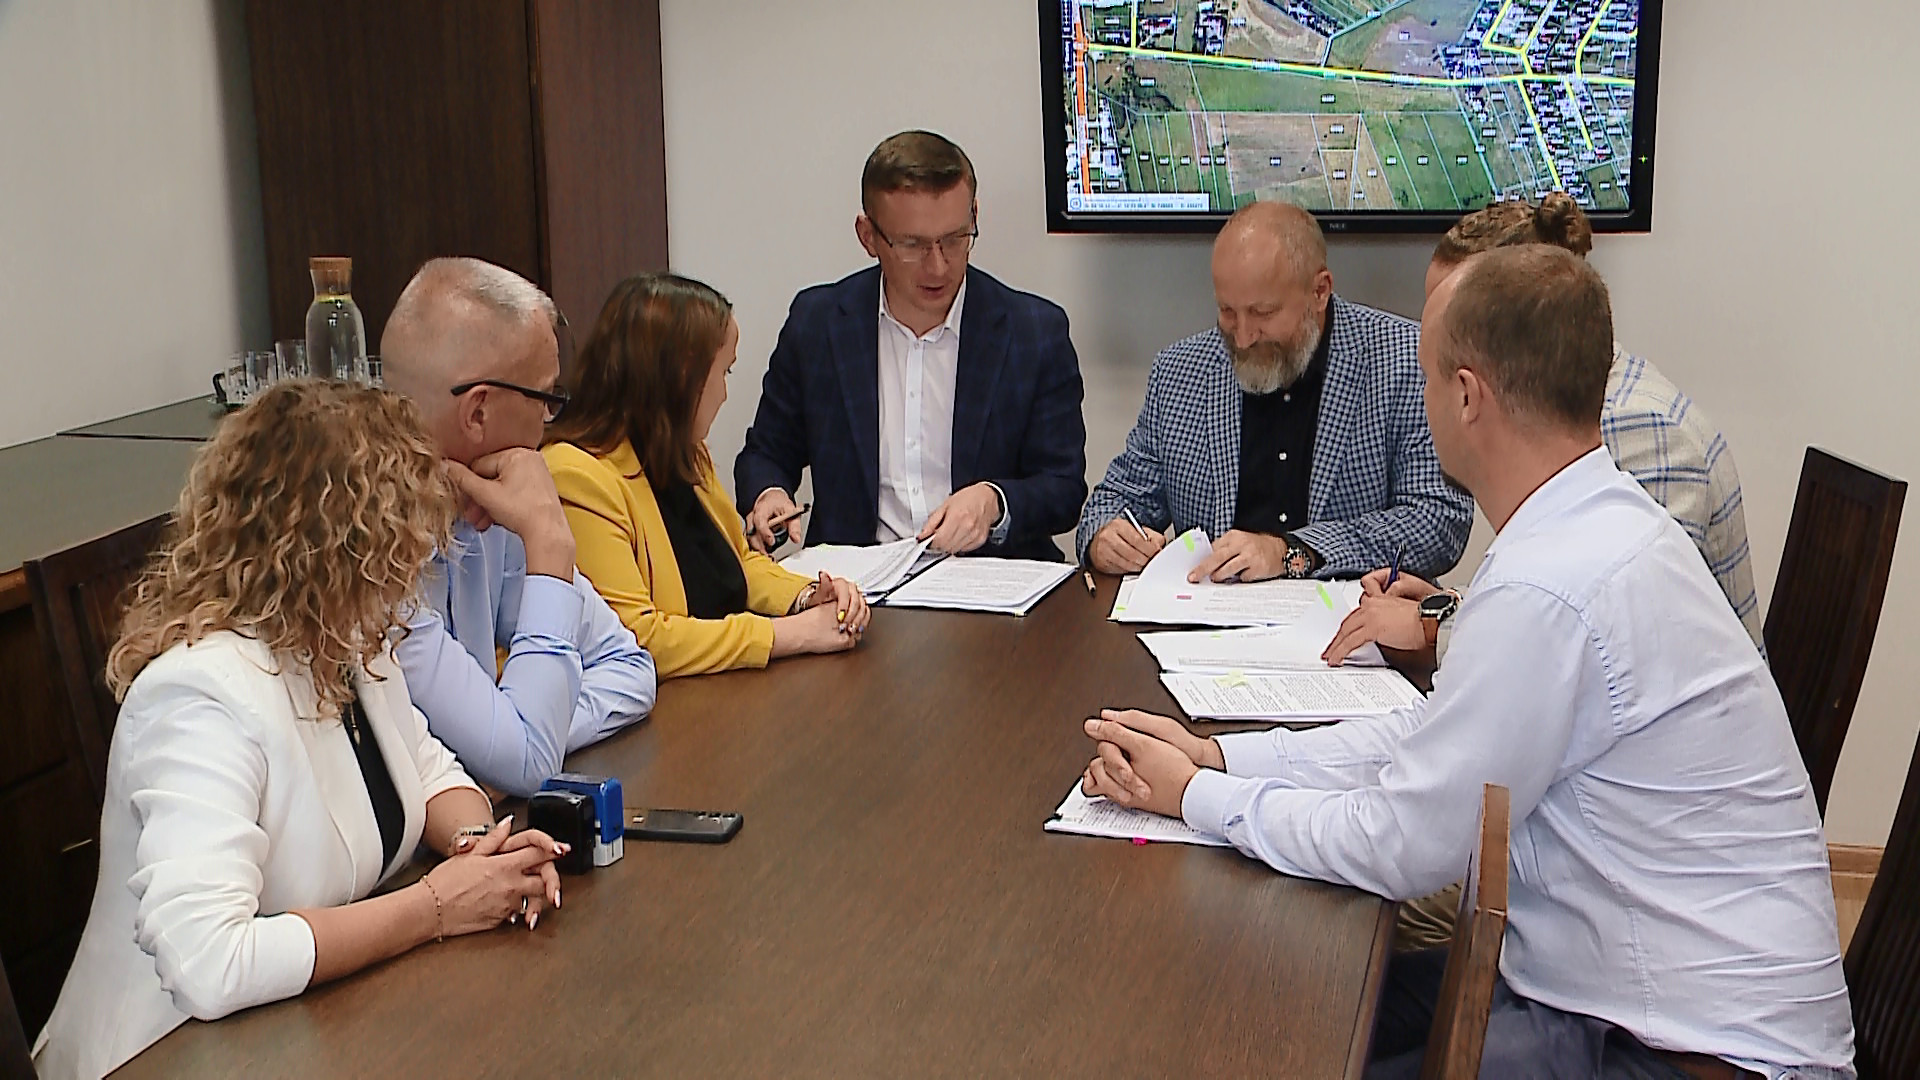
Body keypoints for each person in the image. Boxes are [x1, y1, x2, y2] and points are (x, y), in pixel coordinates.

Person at [1078, 247, 1854, 1078]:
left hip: (1690, 1049)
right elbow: (1428, 734)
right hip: (1610, 993)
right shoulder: (1590, 524)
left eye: (1423, 378)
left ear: (1466, 395)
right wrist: (1221, 756)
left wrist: (1195, 798)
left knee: (1275, 1039)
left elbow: (1402, 844)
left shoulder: (1551, 585)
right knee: (1277, 1011)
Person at [32, 382, 567, 1080]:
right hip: (167, 1053)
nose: (414, 567)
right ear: (339, 549)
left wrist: (480, 852)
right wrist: (437, 906)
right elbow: (210, 962)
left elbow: (429, 768)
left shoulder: (347, 639)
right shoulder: (197, 694)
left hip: (313, 1030)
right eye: (399, 543)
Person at [1326, 194, 1763, 667]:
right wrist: (1448, 608)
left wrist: (1433, 628)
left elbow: (1612, 637)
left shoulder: (1644, 431)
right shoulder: (1562, 409)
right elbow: (1560, 598)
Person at [734, 130, 1087, 562]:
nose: (938, 266)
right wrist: (769, 494)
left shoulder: (1034, 332)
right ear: (868, 236)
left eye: (955, 238)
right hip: (857, 583)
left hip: (990, 583)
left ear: (974, 215)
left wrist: (993, 501)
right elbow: (767, 452)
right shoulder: (819, 324)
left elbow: (1063, 488)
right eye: (912, 245)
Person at [1077, 202, 1472, 584]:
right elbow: (1116, 498)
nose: (1243, 337)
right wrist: (1104, 536)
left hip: (1352, 615)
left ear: (1320, 292)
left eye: (1262, 313)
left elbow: (1437, 522)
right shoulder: (1180, 373)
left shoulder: (1404, 361)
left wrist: (1292, 551)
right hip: (1207, 618)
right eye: (1227, 311)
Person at [381, 257, 656, 797]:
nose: (550, 423)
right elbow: (528, 760)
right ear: (477, 413)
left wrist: (523, 736)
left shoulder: (493, 508)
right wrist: (549, 542)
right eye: (546, 398)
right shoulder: (373, 565)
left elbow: (630, 668)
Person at [542, 273, 872, 679]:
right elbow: (635, 639)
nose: (725, 393)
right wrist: (788, 635)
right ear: (683, 376)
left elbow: (739, 563)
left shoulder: (684, 453)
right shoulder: (576, 476)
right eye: (724, 373)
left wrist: (807, 597)